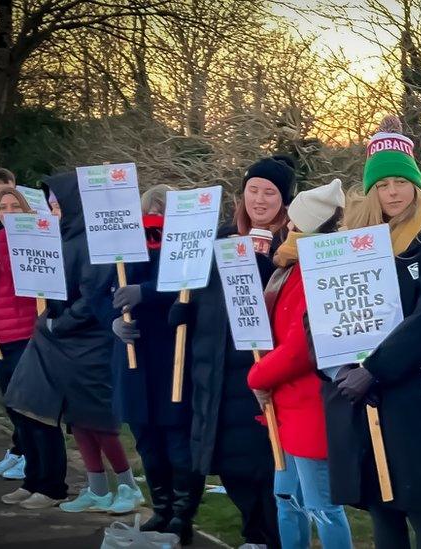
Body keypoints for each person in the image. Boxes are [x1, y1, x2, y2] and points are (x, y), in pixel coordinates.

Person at [324, 117, 421, 549]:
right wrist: (341, 367)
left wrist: (376, 368)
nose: (393, 191)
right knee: (382, 510)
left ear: (416, 185)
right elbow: (328, 309)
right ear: (372, 190)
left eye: (401, 181)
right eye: (383, 183)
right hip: (368, 401)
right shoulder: (355, 244)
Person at [168, 155, 297, 547]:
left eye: (270, 193)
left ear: (284, 200)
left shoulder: (290, 242)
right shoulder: (220, 238)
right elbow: (200, 290)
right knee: (229, 462)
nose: (260, 200)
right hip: (213, 368)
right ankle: (252, 531)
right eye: (253, 190)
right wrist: (184, 308)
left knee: (262, 461)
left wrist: (264, 268)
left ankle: (270, 535)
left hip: (260, 369)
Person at [5, 172, 141, 512]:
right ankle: (96, 487)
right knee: (78, 418)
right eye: (49, 205)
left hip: (89, 341)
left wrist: (57, 322)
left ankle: (126, 485)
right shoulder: (62, 237)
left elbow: (91, 296)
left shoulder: (92, 243)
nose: (52, 211)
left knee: (99, 420)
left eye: (56, 204)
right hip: (62, 340)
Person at [247, 178, 353, 549]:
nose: (285, 227)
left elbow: (300, 348)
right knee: (286, 498)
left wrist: (258, 375)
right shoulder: (291, 266)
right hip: (286, 405)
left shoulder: (316, 271)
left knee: (322, 506)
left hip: (309, 406)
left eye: (292, 221)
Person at [108, 185, 196, 536]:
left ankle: (182, 515)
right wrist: (112, 322)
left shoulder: (187, 244)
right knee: (147, 442)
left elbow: (189, 285)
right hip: (133, 358)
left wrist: (146, 292)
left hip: (172, 356)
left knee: (177, 441)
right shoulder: (124, 246)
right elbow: (104, 290)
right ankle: (161, 508)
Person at [0, 188, 39, 481]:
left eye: (16, 207)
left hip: (23, 330)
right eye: (4, 208)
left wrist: (3, 242)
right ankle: (22, 452)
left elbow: (20, 277)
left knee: (25, 401)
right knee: (10, 400)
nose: (9, 212)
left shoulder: (28, 243)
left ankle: (31, 457)